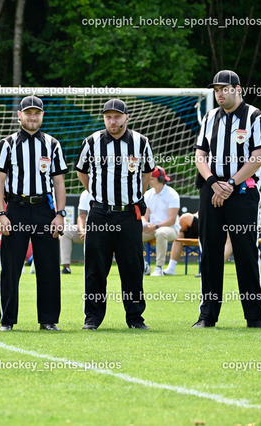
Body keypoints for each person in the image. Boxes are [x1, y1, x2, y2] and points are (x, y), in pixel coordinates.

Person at [193, 69, 261, 329]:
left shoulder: (254, 116)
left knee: (246, 251)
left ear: (237, 89)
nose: (219, 94)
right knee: (210, 252)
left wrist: (230, 183)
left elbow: (258, 157)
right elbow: (200, 156)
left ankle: (255, 316)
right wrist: (212, 183)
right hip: (211, 191)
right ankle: (207, 316)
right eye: (216, 90)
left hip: (241, 192)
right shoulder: (209, 117)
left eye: (224, 89)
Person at [75, 99, 155, 331]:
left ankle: (135, 318)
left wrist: (135, 196)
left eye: (117, 116)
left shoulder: (141, 142)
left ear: (126, 117)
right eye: (108, 116)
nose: (112, 121)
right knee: (95, 268)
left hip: (129, 214)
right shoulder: (91, 142)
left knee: (132, 268)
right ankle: (92, 318)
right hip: (100, 213)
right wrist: (98, 195)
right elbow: (82, 172)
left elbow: (147, 173)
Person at [0, 95, 68, 331]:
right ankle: (7, 320)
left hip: (45, 209)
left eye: (37, 113)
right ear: (20, 115)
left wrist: (60, 214)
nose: (32, 117)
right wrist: (0, 214)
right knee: (11, 266)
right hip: (16, 208)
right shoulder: (7, 144)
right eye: (28, 113)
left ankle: (48, 320)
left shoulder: (53, 144)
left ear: (42, 115)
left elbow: (59, 182)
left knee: (48, 266)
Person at [223, 160, 261, 262]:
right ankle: (213, 269)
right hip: (241, 203)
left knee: (235, 241)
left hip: (238, 202)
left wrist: (259, 196)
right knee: (242, 242)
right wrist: (259, 196)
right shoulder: (252, 158)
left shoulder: (252, 158)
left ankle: (213, 268)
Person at [141, 166, 180, 276]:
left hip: (171, 229)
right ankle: (143, 265)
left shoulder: (172, 194)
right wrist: (144, 224)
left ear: (160, 179)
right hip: (153, 228)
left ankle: (159, 267)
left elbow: (172, 220)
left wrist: (155, 226)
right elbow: (145, 215)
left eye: (151, 179)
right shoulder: (148, 194)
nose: (149, 181)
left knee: (161, 233)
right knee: (133, 233)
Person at [60, 190, 91, 274]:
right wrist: (82, 231)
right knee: (66, 232)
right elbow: (81, 216)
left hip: (102, 227)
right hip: (86, 227)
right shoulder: (85, 194)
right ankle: (66, 268)